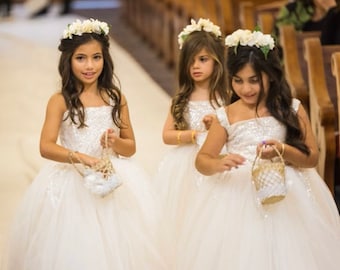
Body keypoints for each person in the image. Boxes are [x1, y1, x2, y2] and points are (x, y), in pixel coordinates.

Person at [3, 18, 167, 270]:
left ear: (106, 59)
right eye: (81, 58)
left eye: (96, 57)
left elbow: (130, 147)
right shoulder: (60, 101)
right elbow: (46, 146)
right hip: (73, 178)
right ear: (68, 60)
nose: (89, 66)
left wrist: (115, 142)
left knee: (118, 242)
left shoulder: (116, 98)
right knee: (74, 243)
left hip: (111, 175)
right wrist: (81, 157)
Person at [176, 29, 340, 269]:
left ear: (270, 76)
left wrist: (283, 150)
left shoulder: (291, 109)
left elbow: (311, 157)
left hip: (287, 189)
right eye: (238, 81)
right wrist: (218, 163)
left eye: (254, 80)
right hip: (236, 193)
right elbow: (202, 160)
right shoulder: (227, 115)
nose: (246, 89)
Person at [153, 18, 228, 265]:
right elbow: (166, 135)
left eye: (203, 60)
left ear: (217, 61)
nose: (195, 66)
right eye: (191, 61)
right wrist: (194, 134)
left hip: (217, 159)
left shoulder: (226, 98)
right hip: (186, 163)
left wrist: (215, 128)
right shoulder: (182, 99)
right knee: (185, 213)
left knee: (216, 213)